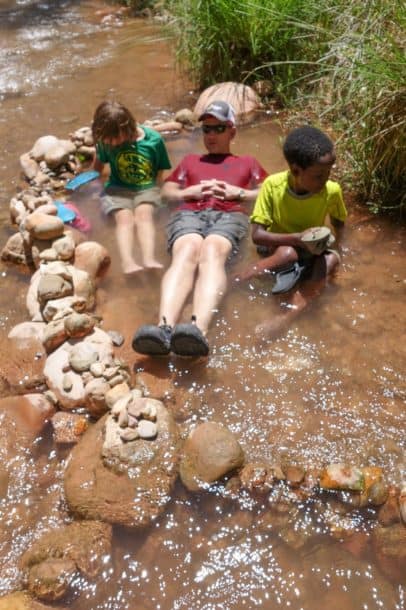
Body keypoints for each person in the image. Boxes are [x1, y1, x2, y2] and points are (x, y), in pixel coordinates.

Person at [132, 100, 268, 357]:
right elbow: (167, 191)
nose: (211, 135)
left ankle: (197, 331)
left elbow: (269, 192)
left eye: (218, 128)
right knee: (186, 250)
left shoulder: (248, 162)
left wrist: (239, 192)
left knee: (212, 249)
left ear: (232, 131)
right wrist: (188, 191)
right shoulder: (190, 161)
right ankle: (164, 329)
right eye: (206, 129)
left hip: (230, 212)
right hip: (190, 213)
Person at [236, 124, 348, 338]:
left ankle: (285, 317)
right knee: (288, 253)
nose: (326, 179)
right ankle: (238, 279)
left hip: (312, 248)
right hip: (278, 246)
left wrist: (336, 248)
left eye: (329, 172)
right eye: (318, 175)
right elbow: (258, 235)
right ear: (296, 170)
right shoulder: (272, 185)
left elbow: (339, 225)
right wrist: (298, 239)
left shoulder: (332, 191)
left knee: (330, 260)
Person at [91, 100, 171, 274]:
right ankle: (128, 261)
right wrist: (96, 188)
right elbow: (97, 166)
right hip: (117, 188)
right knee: (124, 218)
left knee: (144, 215)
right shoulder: (106, 142)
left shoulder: (153, 140)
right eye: (107, 141)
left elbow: (160, 170)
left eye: (115, 139)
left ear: (127, 128)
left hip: (147, 187)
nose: (112, 144)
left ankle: (148, 257)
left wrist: (158, 191)